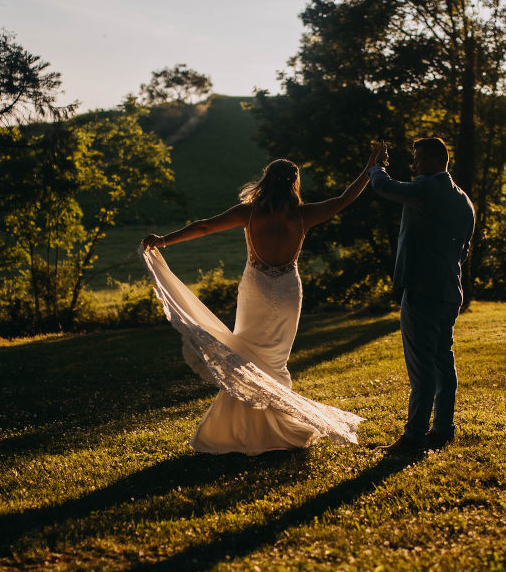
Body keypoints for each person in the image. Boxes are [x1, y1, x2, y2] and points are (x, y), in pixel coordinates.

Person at [140, 146, 383, 455]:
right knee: (275, 361)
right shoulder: (303, 215)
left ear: (265, 180)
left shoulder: (248, 212)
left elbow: (204, 226)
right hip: (286, 291)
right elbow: (345, 199)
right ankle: (273, 429)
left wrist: (164, 240)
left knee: (247, 354)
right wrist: (368, 168)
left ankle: (237, 431)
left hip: (255, 288)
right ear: (294, 183)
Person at [368, 138, 475, 452]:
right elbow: (464, 250)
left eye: (416, 159)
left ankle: (414, 435)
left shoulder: (426, 189)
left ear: (430, 161)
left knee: (422, 367)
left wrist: (377, 165)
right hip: (450, 290)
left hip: (422, 290)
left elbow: (386, 187)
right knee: (443, 362)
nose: (413, 166)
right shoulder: (464, 200)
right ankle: (442, 428)